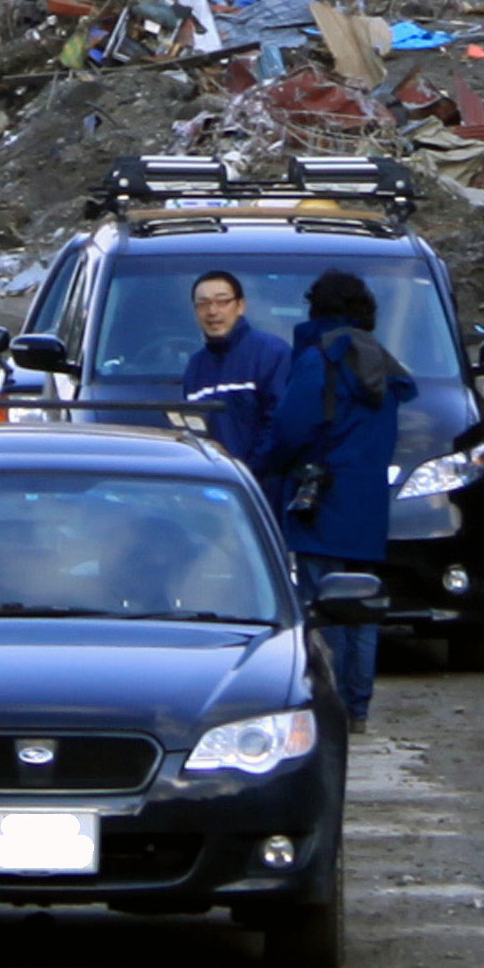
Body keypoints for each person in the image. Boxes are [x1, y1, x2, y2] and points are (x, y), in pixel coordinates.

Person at [263, 267, 410, 721]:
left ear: (316, 308)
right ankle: (357, 708)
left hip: (322, 502)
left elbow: (290, 429)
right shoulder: (382, 363)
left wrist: (257, 465)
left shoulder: (320, 359)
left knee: (323, 605)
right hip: (368, 503)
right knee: (362, 608)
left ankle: (331, 709)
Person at [177, 271, 288, 471]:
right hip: (212, 482)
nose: (212, 311)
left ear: (240, 306)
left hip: (260, 483)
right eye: (203, 304)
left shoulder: (271, 353)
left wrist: (247, 472)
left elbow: (280, 426)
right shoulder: (195, 366)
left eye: (222, 302)